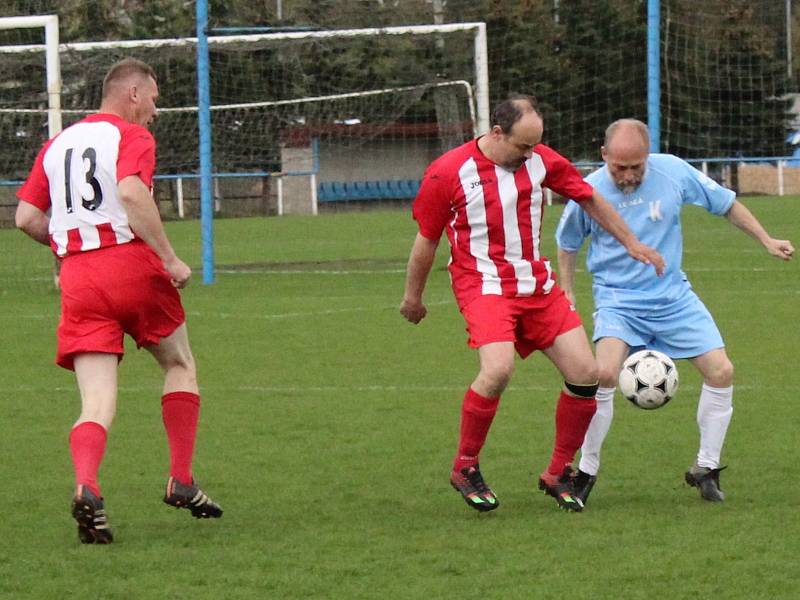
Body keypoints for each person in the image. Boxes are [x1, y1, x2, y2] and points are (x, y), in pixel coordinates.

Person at [400, 95, 665, 513]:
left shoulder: (540, 160)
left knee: (587, 373)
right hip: (484, 284)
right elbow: (426, 240)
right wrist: (412, 298)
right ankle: (465, 466)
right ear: (497, 132)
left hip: (537, 285)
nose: (530, 155)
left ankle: (558, 471)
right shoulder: (448, 171)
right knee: (498, 370)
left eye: (535, 146)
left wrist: (632, 242)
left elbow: (590, 198)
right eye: (522, 146)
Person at [15, 58, 223, 544]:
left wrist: (72, 241)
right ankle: (181, 479)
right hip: (129, 264)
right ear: (131, 93)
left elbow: (26, 217)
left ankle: (88, 486)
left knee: (96, 401)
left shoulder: (57, 144)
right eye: (152, 97)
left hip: (78, 278)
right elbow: (131, 193)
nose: (155, 110)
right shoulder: (131, 137)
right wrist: (170, 259)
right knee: (180, 364)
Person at [555, 118, 795, 504]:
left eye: (637, 166)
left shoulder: (673, 171)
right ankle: (585, 472)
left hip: (672, 298)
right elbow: (567, 242)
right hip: (619, 300)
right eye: (620, 167)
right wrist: (567, 287)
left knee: (722, 371)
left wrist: (766, 239)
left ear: (648, 156)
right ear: (604, 156)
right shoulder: (588, 191)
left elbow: (726, 204)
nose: (629, 175)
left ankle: (706, 467)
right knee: (601, 376)